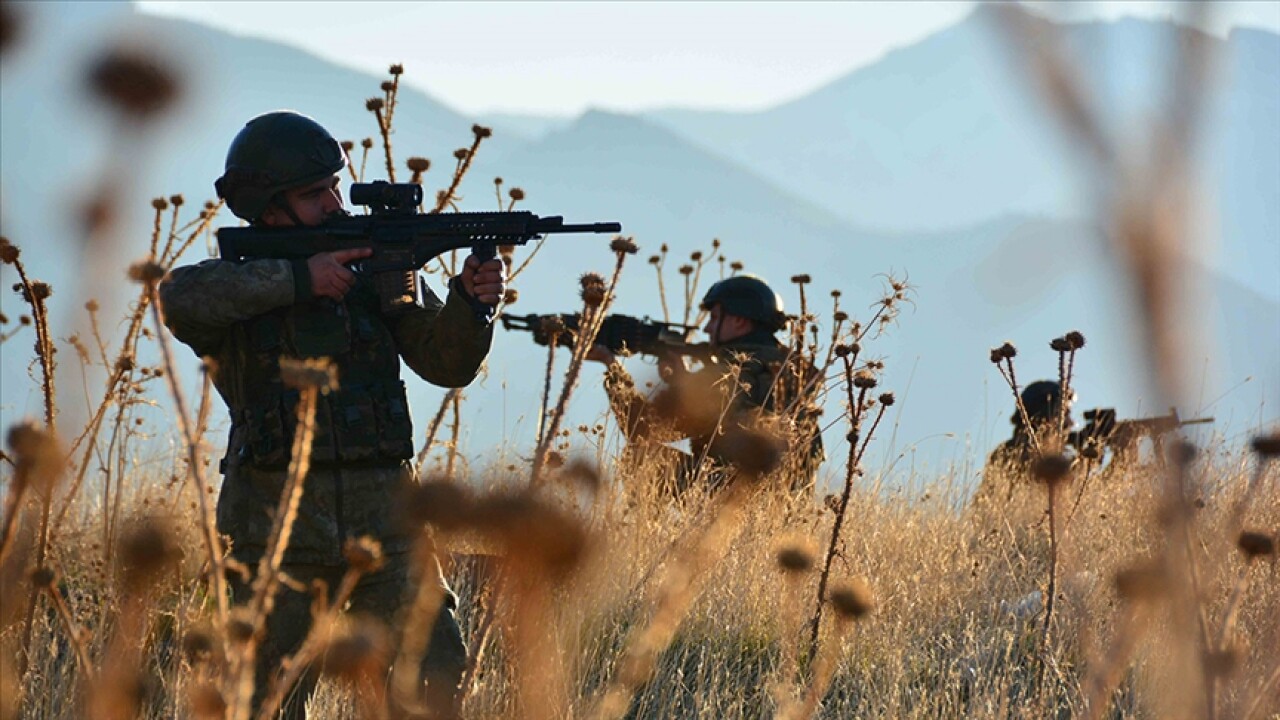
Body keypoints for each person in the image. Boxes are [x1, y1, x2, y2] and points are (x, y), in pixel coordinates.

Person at [159, 111, 505, 719]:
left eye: (336, 188)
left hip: (389, 524)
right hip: (276, 534)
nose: (335, 204)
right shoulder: (239, 285)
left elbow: (444, 363)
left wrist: (470, 308)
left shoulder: (375, 269)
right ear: (269, 210)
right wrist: (301, 279)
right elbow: (180, 296)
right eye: (314, 195)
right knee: (261, 700)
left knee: (437, 682)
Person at [586, 274, 823, 496]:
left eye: (715, 317)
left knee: (642, 457)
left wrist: (611, 365)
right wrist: (686, 382)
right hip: (787, 508)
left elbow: (641, 427)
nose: (708, 328)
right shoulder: (788, 372)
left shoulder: (725, 374)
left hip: (734, 500)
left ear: (739, 321)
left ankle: (653, 537)